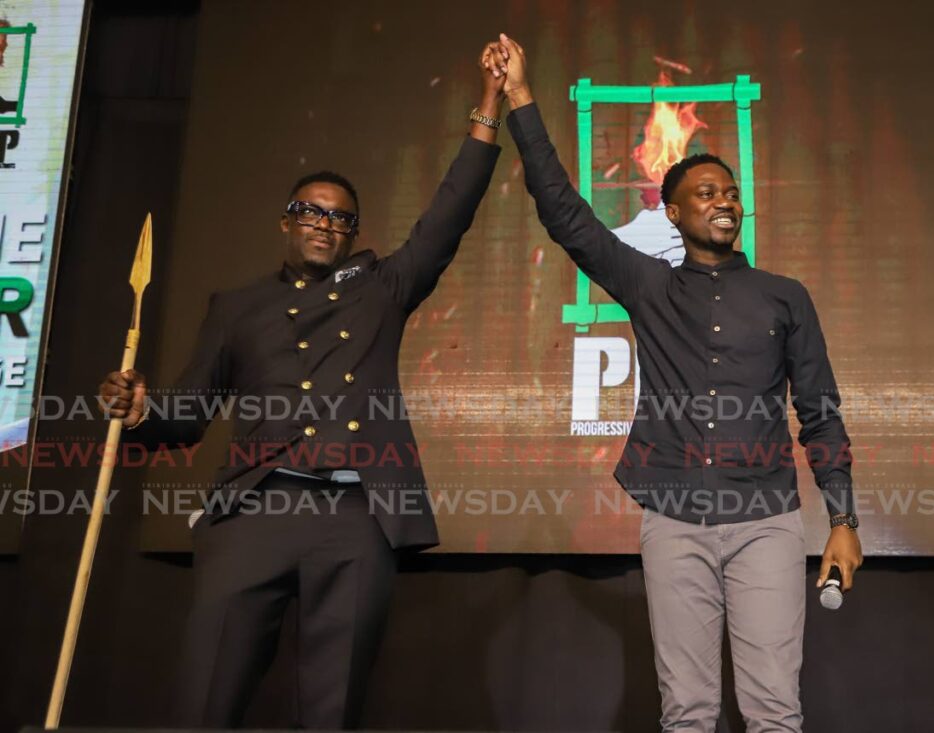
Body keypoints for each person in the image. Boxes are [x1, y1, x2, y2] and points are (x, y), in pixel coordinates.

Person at [98, 43, 507, 729]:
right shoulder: (237, 306)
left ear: (353, 233)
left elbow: (449, 213)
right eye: (311, 211)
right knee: (207, 695)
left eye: (340, 217)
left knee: (332, 705)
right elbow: (190, 411)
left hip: (354, 516)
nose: (325, 223)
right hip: (255, 510)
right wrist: (143, 410)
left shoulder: (383, 287)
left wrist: (489, 105)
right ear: (286, 221)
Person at [488, 34, 862, 732]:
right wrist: (520, 98)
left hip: (767, 523)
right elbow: (564, 212)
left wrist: (843, 519)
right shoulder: (647, 284)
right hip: (673, 520)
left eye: (731, 192)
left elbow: (820, 412)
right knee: (687, 712)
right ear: (674, 213)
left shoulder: (785, 297)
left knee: (776, 711)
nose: (724, 201)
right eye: (706, 193)